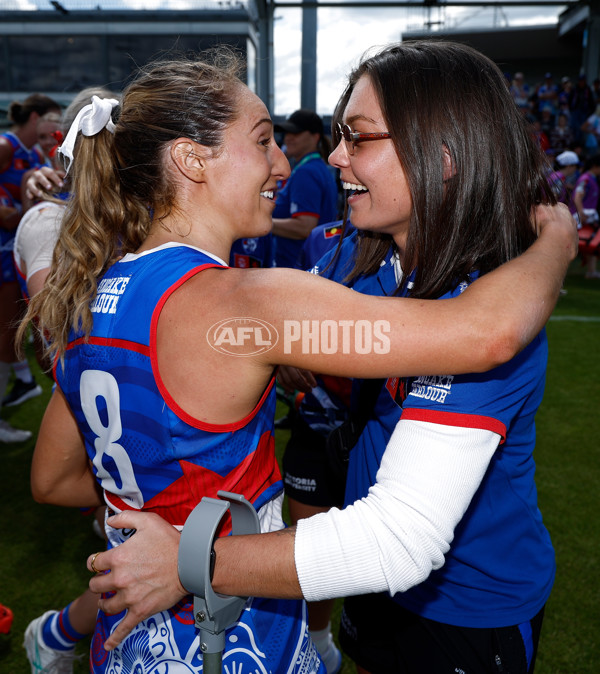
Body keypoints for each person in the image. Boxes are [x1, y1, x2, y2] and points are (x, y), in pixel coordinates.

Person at [25, 45, 575, 673]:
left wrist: (166, 523)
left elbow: (53, 480)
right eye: (263, 141)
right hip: (235, 631)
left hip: (154, 636)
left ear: (442, 154)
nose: (307, 159)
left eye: (357, 137)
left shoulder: (89, 297)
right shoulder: (261, 298)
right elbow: (488, 332)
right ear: (189, 159)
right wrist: (556, 241)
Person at [0, 94, 60, 423]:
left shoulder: (33, 160)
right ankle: (22, 382)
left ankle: (23, 379)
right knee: (12, 328)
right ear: (36, 118)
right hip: (6, 248)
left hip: (14, 247)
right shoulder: (7, 147)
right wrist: (6, 212)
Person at [272, 109, 339, 268]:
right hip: (310, 264)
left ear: (315, 137)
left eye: (296, 133)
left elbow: (304, 227)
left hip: (297, 268)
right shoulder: (317, 168)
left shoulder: (306, 173)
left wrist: (261, 223)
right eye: (286, 133)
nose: (288, 138)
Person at [570, 153, 600, 278]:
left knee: (590, 242)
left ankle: (591, 271)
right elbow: (577, 197)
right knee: (573, 243)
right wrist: (581, 213)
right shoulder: (586, 179)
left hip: (587, 217)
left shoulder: (591, 178)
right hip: (581, 217)